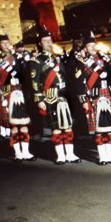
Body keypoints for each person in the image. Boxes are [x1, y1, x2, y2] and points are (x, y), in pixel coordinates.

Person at [28, 27, 81, 165]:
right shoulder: (36, 61)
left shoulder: (57, 58)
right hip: (50, 97)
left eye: (50, 41)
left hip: (63, 95)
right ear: (40, 43)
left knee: (67, 125)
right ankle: (60, 155)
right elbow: (35, 82)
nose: (49, 43)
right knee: (56, 127)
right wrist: (39, 99)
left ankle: (70, 154)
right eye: (45, 41)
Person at [77, 31, 111, 164]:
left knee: (110, 127)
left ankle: (110, 155)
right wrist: (83, 99)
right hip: (95, 95)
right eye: (89, 46)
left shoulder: (104, 59)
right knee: (99, 129)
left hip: (108, 93)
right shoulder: (82, 62)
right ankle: (102, 156)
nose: (93, 48)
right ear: (85, 48)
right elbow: (80, 83)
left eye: (93, 46)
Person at [0, 35, 34, 161]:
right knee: (14, 126)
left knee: (24, 125)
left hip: (20, 93)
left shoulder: (17, 58)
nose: (6, 45)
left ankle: (26, 152)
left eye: (7, 42)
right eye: (3, 43)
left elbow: (26, 75)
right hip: (7, 95)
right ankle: (18, 153)